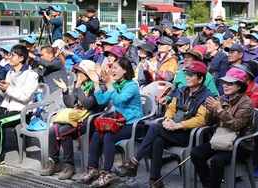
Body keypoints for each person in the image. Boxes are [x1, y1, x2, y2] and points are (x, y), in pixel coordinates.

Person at [113, 61, 213, 188]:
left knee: (155, 128)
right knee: (157, 140)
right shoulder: (182, 90)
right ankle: (155, 181)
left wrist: (178, 125)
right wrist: (167, 119)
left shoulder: (206, 96)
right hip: (175, 130)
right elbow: (171, 108)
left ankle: (134, 162)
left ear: (200, 79)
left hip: (192, 135)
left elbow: (201, 120)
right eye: (187, 74)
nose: (187, 77)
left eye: (191, 75)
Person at [77, 57, 143, 187]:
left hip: (134, 124)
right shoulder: (115, 85)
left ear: (125, 70)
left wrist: (108, 84)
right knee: (97, 132)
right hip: (118, 121)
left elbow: (119, 100)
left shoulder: (132, 85)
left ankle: (107, 173)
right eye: (112, 67)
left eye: (115, 68)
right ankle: (92, 168)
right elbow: (101, 100)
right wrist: (96, 82)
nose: (112, 70)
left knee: (109, 137)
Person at [40, 60, 106, 180]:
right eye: (78, 71)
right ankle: (54, 161)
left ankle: (69, 165)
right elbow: (70, 104)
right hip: (77, 116)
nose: (78, 74)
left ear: (88, 74)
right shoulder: (80, 84)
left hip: (89, 119)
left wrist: (78, 88)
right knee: (52, 129)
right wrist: (65, 91)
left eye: (81, 72)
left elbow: (87, 104)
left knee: (64, 131)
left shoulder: (98, 87)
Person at [191, 67, 255, 188]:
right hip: (221, 139)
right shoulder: (221, 98)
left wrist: (220, 110)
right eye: (224, 82)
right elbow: (208, 123)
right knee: (196, 153)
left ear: (239, 86)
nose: (225, 86)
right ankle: (208, 185)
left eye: (230, 83)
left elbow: (237, 125)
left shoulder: (247, 103)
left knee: (217, 160)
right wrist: (210, 111)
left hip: (240, 144)